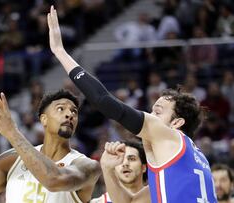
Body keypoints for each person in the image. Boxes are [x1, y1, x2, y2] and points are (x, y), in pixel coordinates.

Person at [47, 5, 217, 203]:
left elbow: (104, 100)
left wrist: (60, 53)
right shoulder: (190, 160)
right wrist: (109, 171)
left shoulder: (169, 135)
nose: (150, 116)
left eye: (158, 112)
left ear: (177, 122)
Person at [0, 90, 101, 203]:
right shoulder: (11, 160)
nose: (70, 114)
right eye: (61, 109)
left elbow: (54, 180)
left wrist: (12, 132)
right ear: (44, 119)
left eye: (74, 111)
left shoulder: (87, 166)